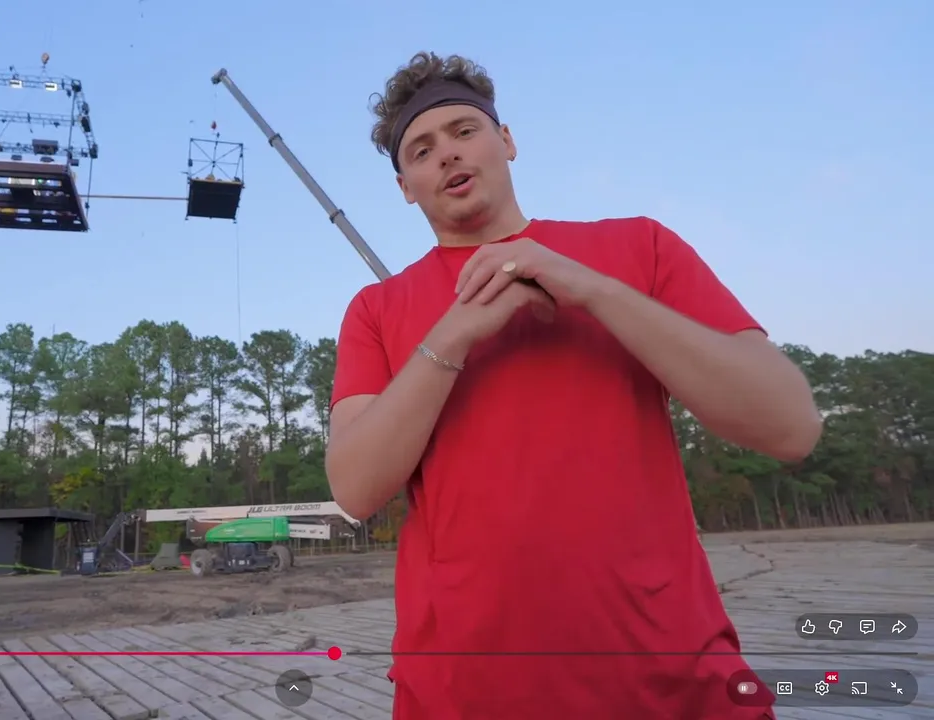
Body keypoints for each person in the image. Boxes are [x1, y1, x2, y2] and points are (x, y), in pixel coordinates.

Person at [326, 52, 822, 719]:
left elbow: (790, 425)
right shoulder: (375, 310)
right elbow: (356, 489)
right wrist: (453, 335)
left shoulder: (640, 248)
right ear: (405, 187)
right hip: (463, 694)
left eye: (464, 130)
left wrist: (590, 288)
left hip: (675, 683)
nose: (447, 153)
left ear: (507, 141)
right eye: (421, 149)